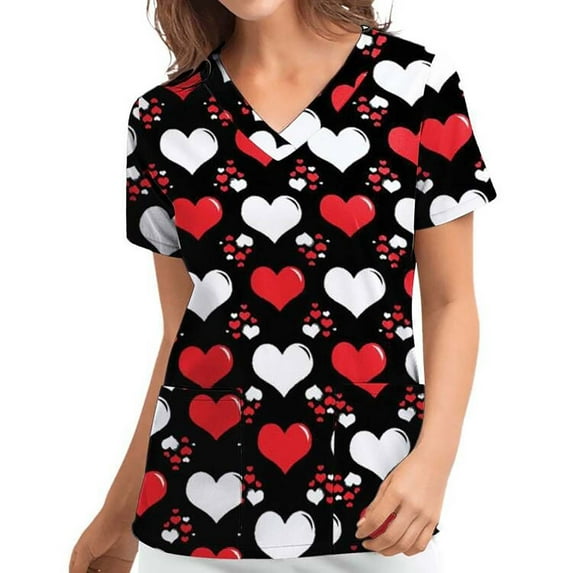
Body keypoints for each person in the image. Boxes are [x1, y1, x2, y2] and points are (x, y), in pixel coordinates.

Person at [69, 1, 498, 572]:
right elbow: (181, 338)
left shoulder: (417, 87)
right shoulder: (163, 118)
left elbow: (451, 301)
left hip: (375, 517)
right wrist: (118, 516)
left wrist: (434, 463)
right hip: (193, 523)